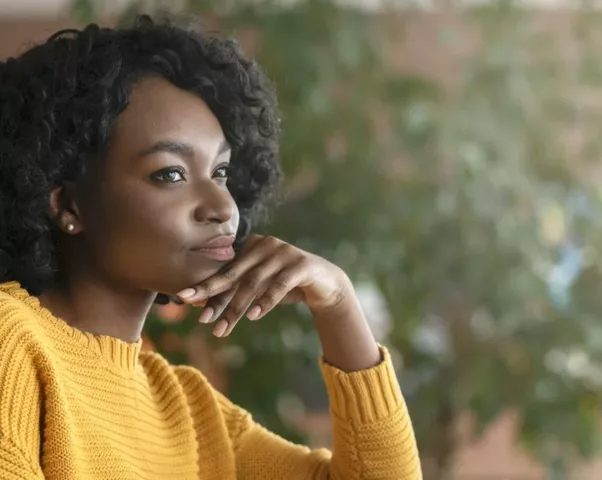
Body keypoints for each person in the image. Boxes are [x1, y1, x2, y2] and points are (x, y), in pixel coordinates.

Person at [0, 15, 421, 480]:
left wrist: (338, 301)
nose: (222, 205)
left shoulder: (190, 408)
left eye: (220, 173)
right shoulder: (12, 340)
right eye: (171, 174)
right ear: (69, 206)